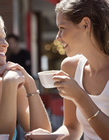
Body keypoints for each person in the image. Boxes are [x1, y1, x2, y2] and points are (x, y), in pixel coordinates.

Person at [25, 0, 109, 140]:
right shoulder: (70, 67)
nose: (57, 37)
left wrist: (80, 97)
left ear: (85, 25)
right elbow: (72, 128)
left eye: (62, 28)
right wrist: (52, 138)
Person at [0, 5, 51, 140]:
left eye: (4, 37)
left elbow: (42, 133)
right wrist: (10, 84)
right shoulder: (9, 84)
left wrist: (30, 83)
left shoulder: (11, 85)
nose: (5, 44)